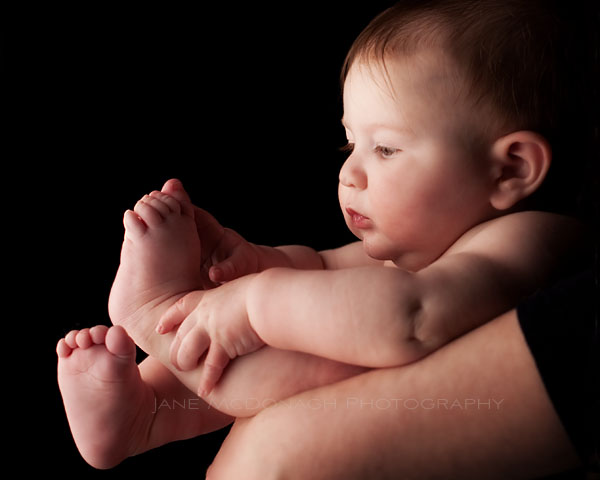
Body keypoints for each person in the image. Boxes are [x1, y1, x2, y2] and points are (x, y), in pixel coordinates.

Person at [56, 0, 595, 474]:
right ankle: (146, 413)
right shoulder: (430, 242)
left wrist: (252, 304)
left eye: (384, 149)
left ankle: (163, 317)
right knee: (302, 310)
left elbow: (409, 318)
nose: (349, 175)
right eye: (349, 145)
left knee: (314, 346)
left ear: (512, 170)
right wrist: (249, 263)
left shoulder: (530, 239)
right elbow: (320, 267)